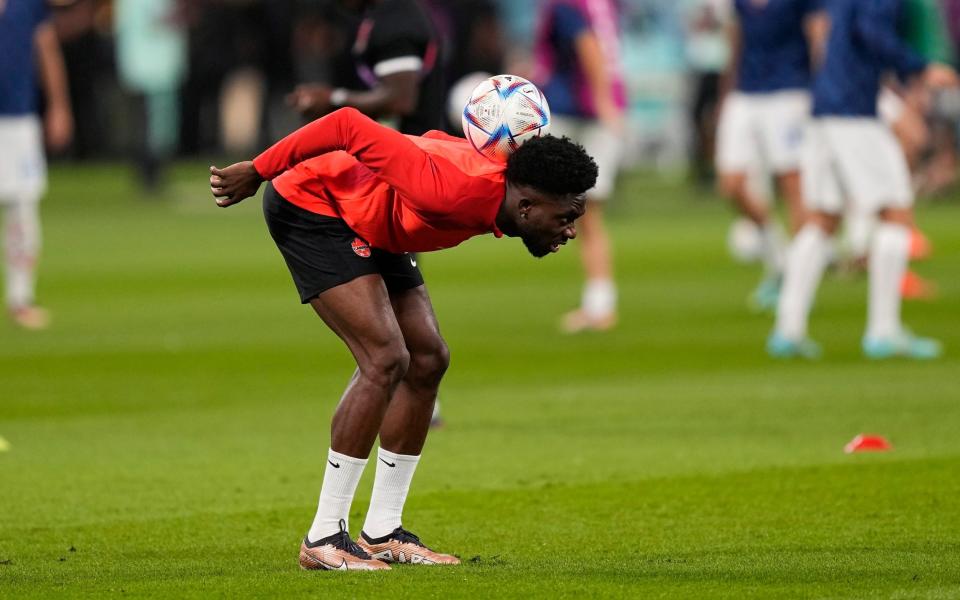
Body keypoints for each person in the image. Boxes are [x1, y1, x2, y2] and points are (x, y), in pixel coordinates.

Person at [209, 107, 597, 570]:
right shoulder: (450, 189)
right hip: (314, 202)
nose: (571, 230)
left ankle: (382, 531)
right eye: (567, 216)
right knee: (386, 357)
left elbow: (430, 140)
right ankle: (324, 534)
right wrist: (258, 169)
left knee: (428, 358)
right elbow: (347, 125)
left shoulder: (505, 186)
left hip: (378, 218)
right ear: (527, 206)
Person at [768, 0, 958, 360]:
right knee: (897, 214)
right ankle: (883, 331)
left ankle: (787, 329)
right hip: (854, 109)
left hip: (825, 103)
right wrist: (920, 67)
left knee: (822, 220)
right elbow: (871, 33)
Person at [714, 0, 826, 312]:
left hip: (790, 91)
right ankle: (780, 259)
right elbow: (735, 42)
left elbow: (818, 37)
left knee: (793, 185)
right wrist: (725, 95)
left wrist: (821, 89)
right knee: (731, 184)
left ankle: (799, 283)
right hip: (746, 93)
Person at [533, 0, 627, 333]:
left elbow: (587, 44)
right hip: (600, 105)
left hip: (577, 109)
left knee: (581, 213)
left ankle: (600, 303)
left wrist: (602, 101)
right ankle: (599, 301)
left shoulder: (566, 5)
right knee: (587, 215)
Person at [0, 0, 73, 330]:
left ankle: (21, 297)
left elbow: (47, 49)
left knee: (23, 209)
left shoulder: (27, 4)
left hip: (19, 121)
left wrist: (58, 105)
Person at [286, 0, 444, 136]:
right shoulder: (381, 14)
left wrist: (333, 99)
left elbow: (400, 99)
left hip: (412, 156)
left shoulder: (397, 20)